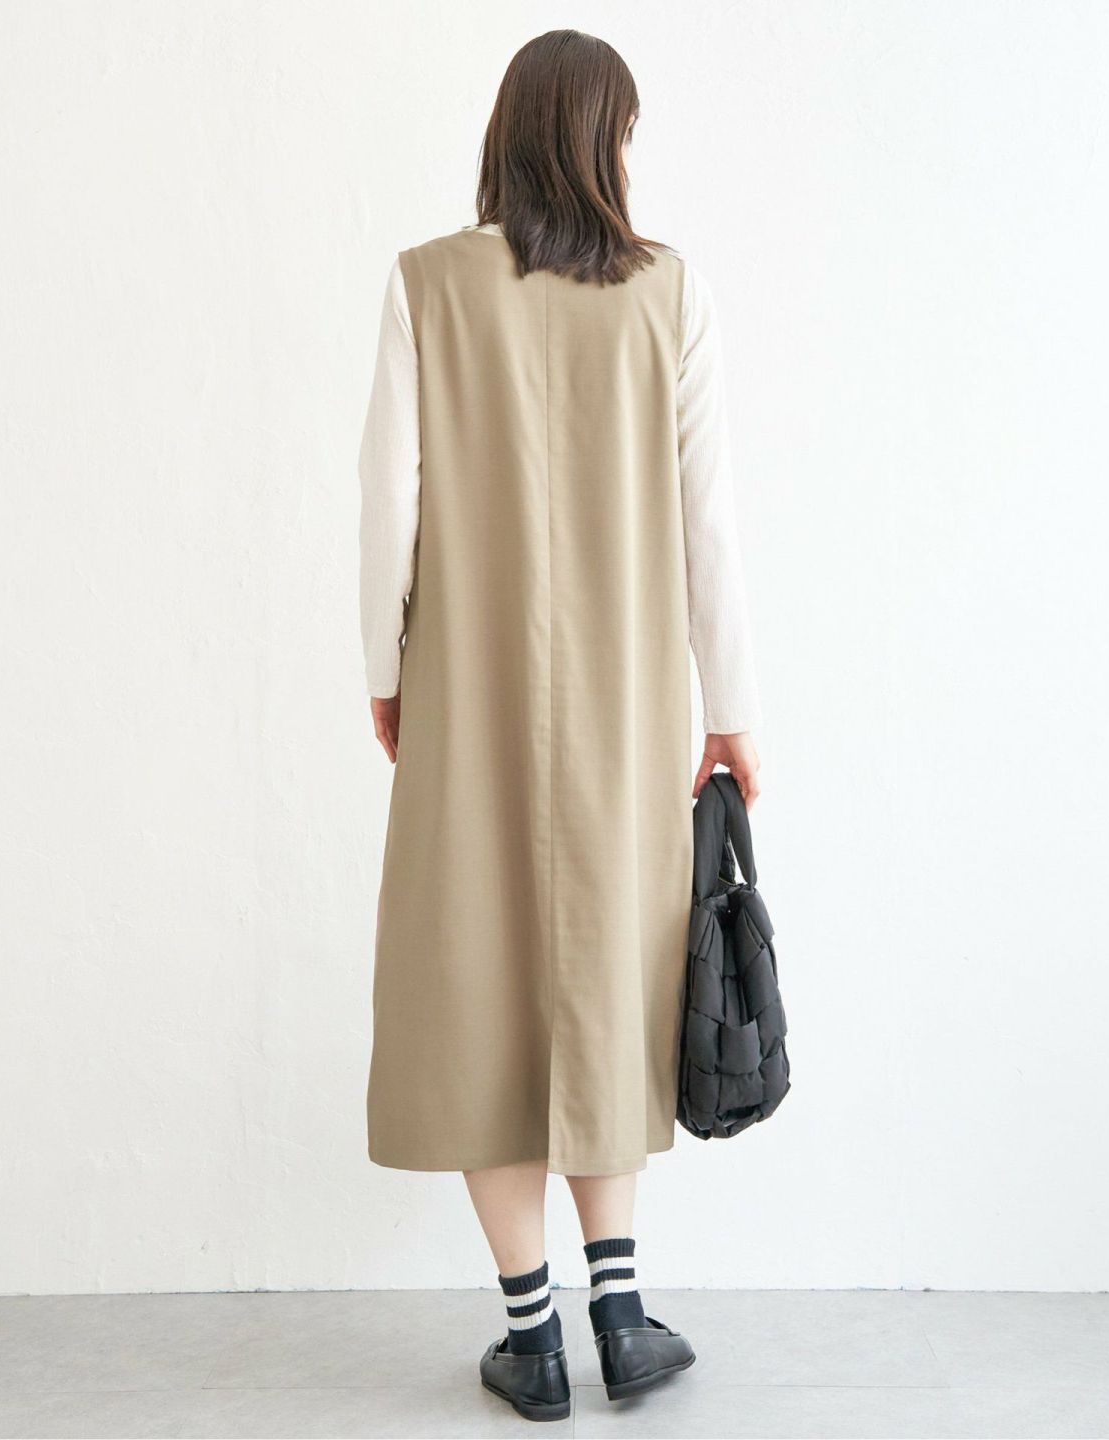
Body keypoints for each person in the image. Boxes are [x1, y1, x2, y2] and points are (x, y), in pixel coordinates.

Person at [358, 29, 762, 1422]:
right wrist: (732, 710)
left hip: (467, 694)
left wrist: (384, 670)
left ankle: (530, 1338)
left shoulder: (427, 285)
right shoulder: (669, 293)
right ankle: (622, 1316)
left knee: (476, 983)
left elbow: (387, 503)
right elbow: (712, 525)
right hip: (631, 707)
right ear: (604, 143)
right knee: (610, 981)